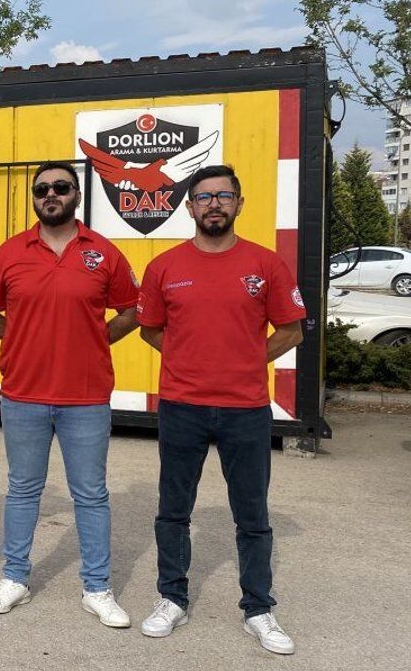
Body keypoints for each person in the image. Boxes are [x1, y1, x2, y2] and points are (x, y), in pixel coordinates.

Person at [136, 165, 304, 655]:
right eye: (204, 197)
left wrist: (248, 360)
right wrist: (188, 358)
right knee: (173, 510)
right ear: (189, 207)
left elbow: (291, 330)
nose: (214, 204)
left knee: (252, 514)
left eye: (223, 196)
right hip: (181, 405)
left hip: (245, 409)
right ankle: (172, 598)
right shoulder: (164, 266)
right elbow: (150, 328)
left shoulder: (266, 264)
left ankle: (258, 608)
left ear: (239, 204)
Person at [0, 161, 138, 628]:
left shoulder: (103, 253)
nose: (51, 194)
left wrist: (97, 339)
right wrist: (18, 337)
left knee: (91, 494)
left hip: (86, 396)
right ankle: (15, 579)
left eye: (61, 187)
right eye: (42, 188)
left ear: (76, 196)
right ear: (34, 197)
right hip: (23, 393)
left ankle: (97, 588)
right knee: (23, 490)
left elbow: (132, 310)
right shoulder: (10, 253)